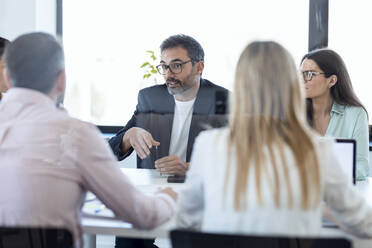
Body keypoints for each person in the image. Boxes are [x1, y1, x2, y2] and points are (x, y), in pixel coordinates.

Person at [176, 41, 372, 237]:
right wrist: (322, 211)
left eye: (309, 75)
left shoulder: (208, 144)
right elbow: (363, 221)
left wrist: (167, 201)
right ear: (290, 85)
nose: (303, 80)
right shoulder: (317, 149)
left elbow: (184, 218)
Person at [0, 32, 177, 247]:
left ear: (7, 77)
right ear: (62, 80)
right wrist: (168, 198)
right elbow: (142, 215)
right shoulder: (75, 134)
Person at [109, 34, 228, 176]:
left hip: (199, 188)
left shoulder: (223, 100)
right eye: (164, 67)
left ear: (199, 67)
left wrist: (191, 167)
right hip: (153, 189)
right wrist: (129, 136)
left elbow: (239, 158)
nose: (168, 74)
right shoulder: (150, 98)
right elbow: (109, 152)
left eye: (176, 65)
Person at [300, 49, 369, 180]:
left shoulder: (356, 114)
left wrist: (325, 173)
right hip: (302, 193)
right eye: (301, 74)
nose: (303, 80)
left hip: (338, 193)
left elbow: (362, 166)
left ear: (331, 80)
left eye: (309, 74)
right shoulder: (294, 113)